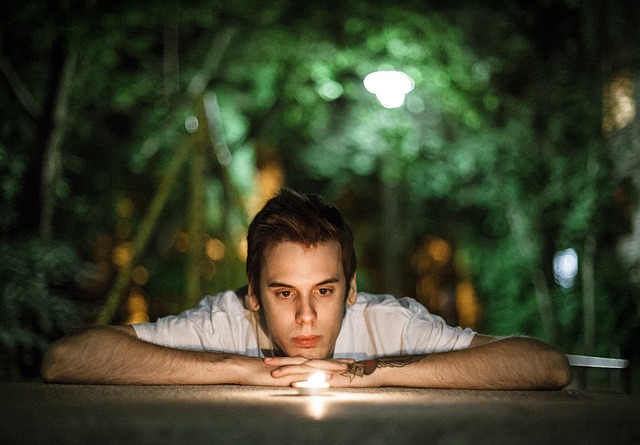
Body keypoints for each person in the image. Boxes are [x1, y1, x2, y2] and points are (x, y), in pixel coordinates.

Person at [41, 188, 572, 389]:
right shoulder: (227, 320)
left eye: (323, 290)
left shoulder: (389, 322)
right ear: (252, 294)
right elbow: (66, 359)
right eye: (282, 292)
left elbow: (545, 365)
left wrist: (369, 374)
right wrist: (242, 368)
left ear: (351, 291)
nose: (305, 317)